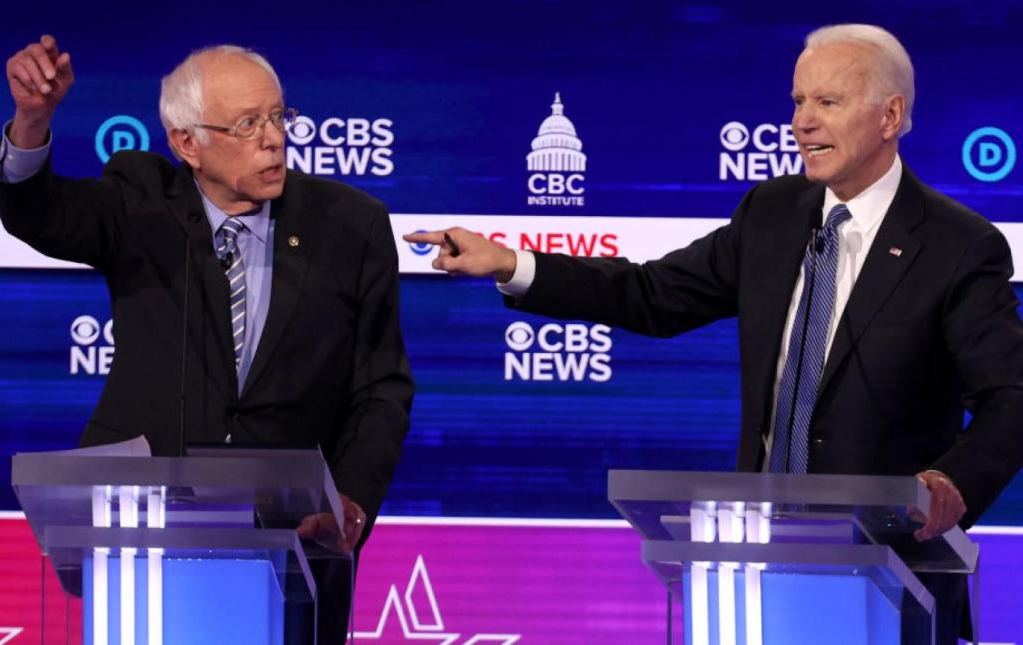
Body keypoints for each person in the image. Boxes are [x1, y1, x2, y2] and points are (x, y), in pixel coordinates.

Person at [407, 24, 1023, 643]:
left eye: (826, 103)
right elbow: (651, 294)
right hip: (756, 570)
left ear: (890, 116)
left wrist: (950, 485)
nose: (802, 122)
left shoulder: (957, 247)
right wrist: (515, 264)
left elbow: (1011, 398)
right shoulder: (773, 214)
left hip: (893, 582)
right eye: (797, 101)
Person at [0, 36, 414, 642]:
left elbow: (381, 386)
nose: (273, 138)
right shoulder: (140, 202)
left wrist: (349, 500)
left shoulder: (350, 225)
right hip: (142, 535)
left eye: (278, 117)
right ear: (186, 143)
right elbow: (39, 213)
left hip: (295, 541)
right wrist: (33, 121)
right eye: (247, 124)